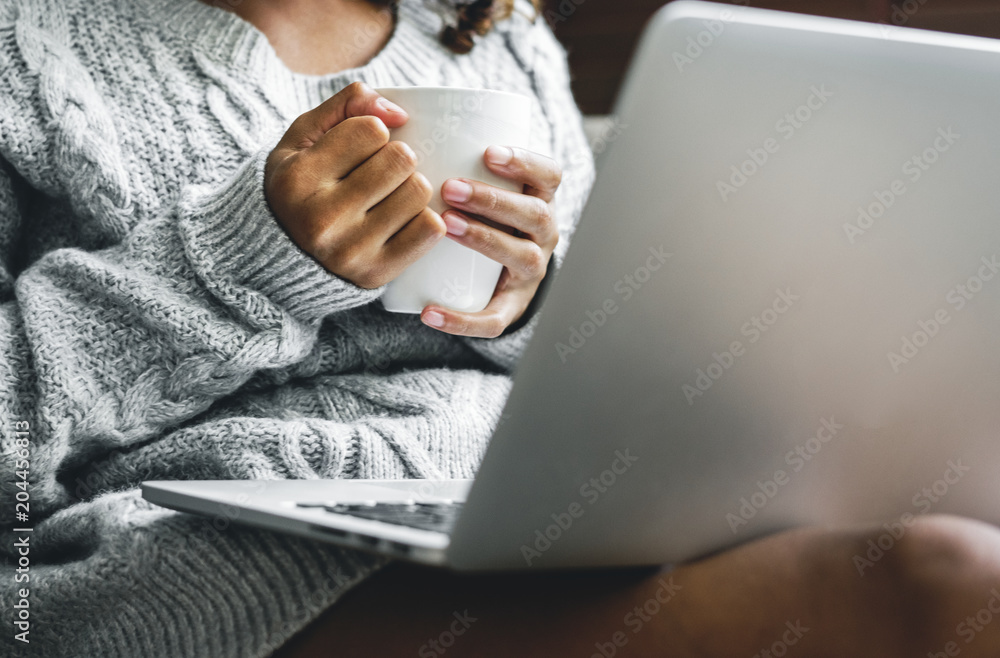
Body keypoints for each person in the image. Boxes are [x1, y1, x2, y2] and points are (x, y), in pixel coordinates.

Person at [0, 0, 998, 656]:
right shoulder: (29, 47)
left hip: (517, 514)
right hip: (213, 557)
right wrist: (230, 263)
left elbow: (626, 360)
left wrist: (534, 298)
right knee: (942, 580)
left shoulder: (498, 36)